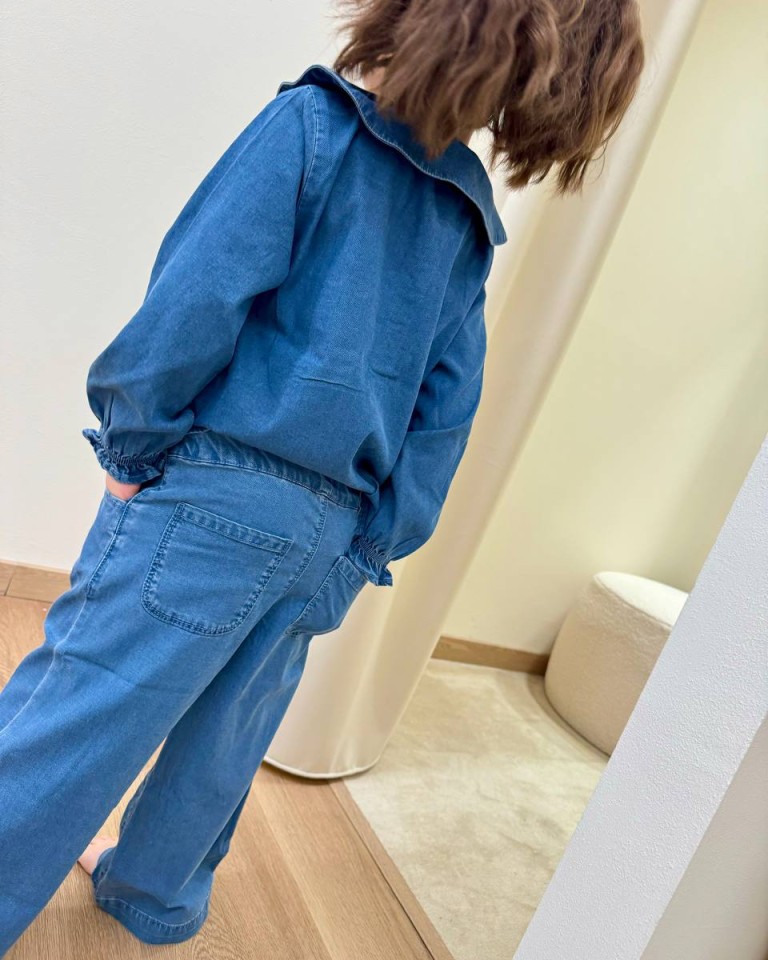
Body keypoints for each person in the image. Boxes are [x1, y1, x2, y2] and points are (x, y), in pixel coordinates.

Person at [0, 0, 644, 950]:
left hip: (214, 494)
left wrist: (132, 443)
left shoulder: (312, 127)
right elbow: (444, 414)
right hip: (330, 531)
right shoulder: (467, 217)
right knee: (231, 728)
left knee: (83, 700)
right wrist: (370, 546)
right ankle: (155, 895)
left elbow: (195, 300)